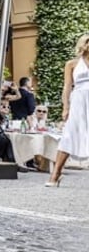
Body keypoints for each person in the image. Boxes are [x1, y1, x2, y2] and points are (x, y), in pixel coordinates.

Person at [46, 33, 89, 187]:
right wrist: (65, 107)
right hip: (78, 101)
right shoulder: (72, 64)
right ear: (83, 45)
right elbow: (67, 87)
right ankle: (56, 174)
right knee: (69, 135)